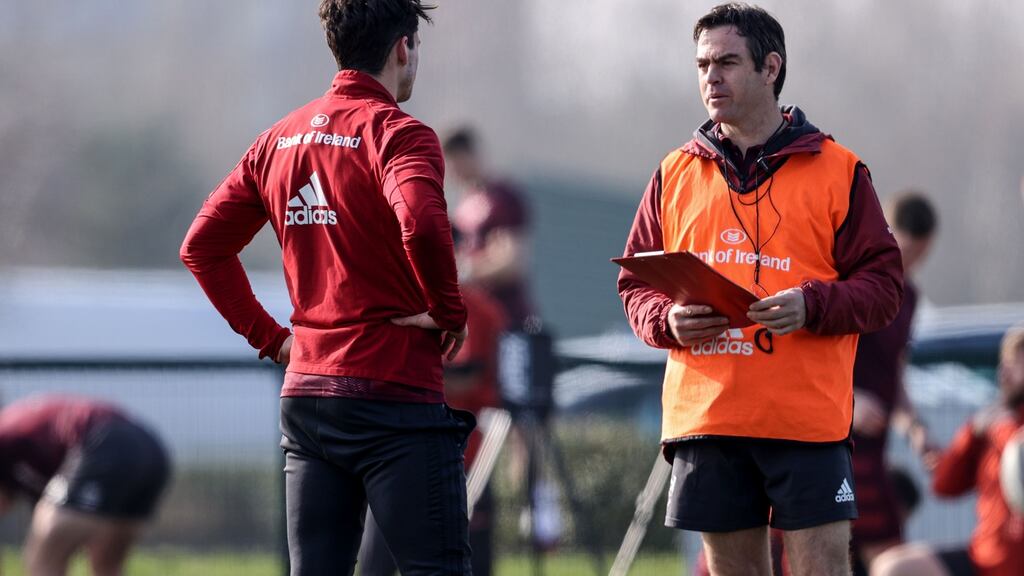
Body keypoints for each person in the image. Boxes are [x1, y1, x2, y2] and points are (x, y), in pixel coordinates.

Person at [179, 1, 474, 574]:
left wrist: (276, 341)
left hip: (309, 399)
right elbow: (419, 220)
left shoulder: (278, 140)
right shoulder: (400, 134)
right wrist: (448, 310)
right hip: (394, 394)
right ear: (402, 49)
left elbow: (202, 247)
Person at [617, 4, 903, 575]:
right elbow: (634, 283)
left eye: (726, 61)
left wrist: (812, 304)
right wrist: (666, 321)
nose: (710, 77)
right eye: (702, 64)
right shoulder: (674, 171)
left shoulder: (839, 170)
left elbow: (883, 287)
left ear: (771, 67)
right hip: (708, 419)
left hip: (806, 423)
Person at [358, 285, 507, 576]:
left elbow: (468, 373)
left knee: (461, 563)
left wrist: (411, 378)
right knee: (377, 560)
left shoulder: (469, 303)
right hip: (396, 452)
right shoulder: (389, 297)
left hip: (460, 457)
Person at [871, 326, 1024, 576]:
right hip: (983, 559)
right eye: (1005, 362)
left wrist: (1001, 427)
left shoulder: (1004, 427)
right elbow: (944, 485)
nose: (1004, 372)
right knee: (893, 568)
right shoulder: (989, 425)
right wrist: (973, 433)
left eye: (1017, 363)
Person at [851, 192, 940, 573]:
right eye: (905, 250)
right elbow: (809, 356)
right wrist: (847, 401)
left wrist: (914, 427)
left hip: (874, 450)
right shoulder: (852, 280)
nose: (909, 262)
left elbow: (895, 373)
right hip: (833, 444)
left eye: (918, 254)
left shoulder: (910, 297)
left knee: (890, 557)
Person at [0, 395, 170, 576]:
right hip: (150, 449)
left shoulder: (6, 433)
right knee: (106, 564)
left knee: (44, 557)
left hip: (104, 442)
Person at [444, 127, 536, 330]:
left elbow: (511, 263)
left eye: (455, 159)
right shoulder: (465, 203)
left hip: (505, 320)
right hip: (473, 319)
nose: (452, 169)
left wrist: (464, 272)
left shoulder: (500, 199)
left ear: (470, 154)